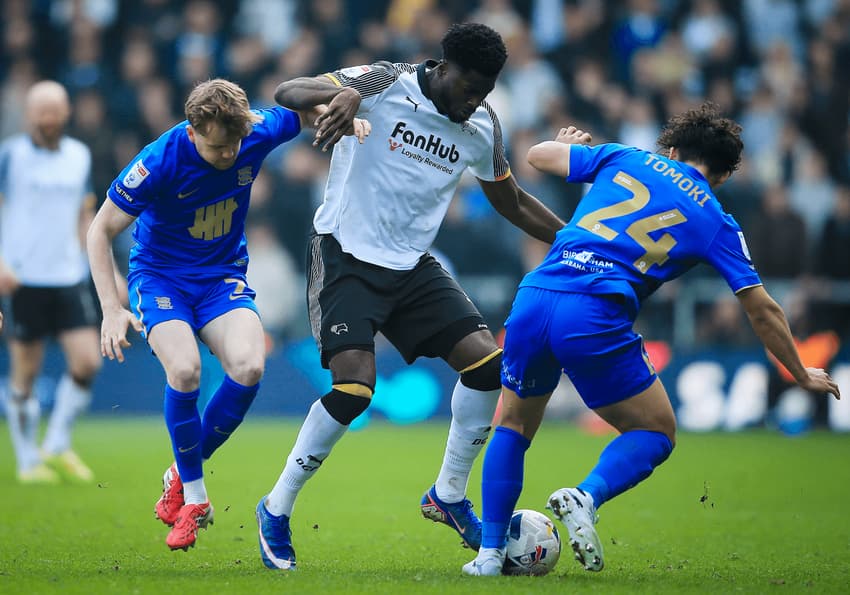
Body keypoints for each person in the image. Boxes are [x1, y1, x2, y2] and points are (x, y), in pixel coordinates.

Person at [462, 103, 841, 576]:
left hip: (535, 296)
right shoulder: (717, 219)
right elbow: (762, 308)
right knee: (656, 431)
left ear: (674, 148)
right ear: (721, 176)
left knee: (514, 426)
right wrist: (799, 371)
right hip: (593, 313)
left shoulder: (627, 156)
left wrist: (569, 148)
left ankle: (489, 556)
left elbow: (537, 157)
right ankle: (587, 495)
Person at [255, 22, 566, 571]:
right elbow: (287, 93)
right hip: (345, 253)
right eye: (469, 88)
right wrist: (341, 92)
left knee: (488, 367)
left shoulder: (482, 127)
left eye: (486, 92)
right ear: (444, 69)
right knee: (354, 389)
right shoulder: (382, 81)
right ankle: (276, 509)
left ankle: (447, 495)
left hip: (413, 266)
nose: (475, 101)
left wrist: (575, 241)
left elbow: (513, 202)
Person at [87, 78, 368, 552]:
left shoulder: (254, 130)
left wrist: (337, 114)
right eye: (219, 146)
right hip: (161, 280)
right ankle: (194, 497)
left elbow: (299, 113)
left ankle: (181, 468)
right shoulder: (158, 161)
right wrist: (111, 309)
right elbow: (100, 230)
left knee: (250, 365)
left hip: (220, 277)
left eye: (236, 143)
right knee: (185, 369)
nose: (229, 154)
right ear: (194, 131)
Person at [0, 80, 103, 485]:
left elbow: (84, 214)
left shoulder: (79, 155)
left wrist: (94, 261)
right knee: (26, 370)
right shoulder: (10, 155)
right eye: (40, 111)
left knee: (88, 362)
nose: (47, 118)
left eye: (54, 110)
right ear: (29, 114)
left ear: (66, 113)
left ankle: (57, 442)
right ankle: (27, 460)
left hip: (67, 273)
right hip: (22, 276)